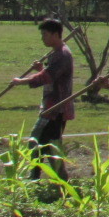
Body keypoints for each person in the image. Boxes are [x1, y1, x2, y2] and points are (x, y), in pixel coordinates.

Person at [9, 18, 73, 181]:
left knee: (43, 145)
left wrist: (21, 81)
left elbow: (47, 77)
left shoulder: (62, 55)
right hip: (50, 106)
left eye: (45, 34)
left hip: (56, 108)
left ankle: (50, 180)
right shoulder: (55, 53)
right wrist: (42, 68)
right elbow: (50, 75)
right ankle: (39, 178)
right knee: (42, 145)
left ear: (55, 34)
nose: (42, 38)